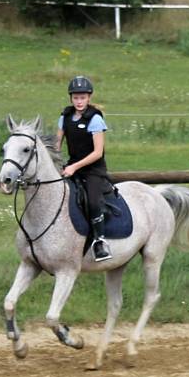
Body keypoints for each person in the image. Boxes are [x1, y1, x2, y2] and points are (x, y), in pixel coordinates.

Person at [56, 76, 113, 262]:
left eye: (82, 98)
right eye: (76, 98)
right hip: (72, 167)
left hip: (93, 170)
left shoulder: (95, 119)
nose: (79, 101)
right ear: (71, 98)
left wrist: (74, 167)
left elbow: (98, 152)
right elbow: (56, 146)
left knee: (93, 202)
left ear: (89, 97)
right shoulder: (64, 117)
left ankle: (99, 241)